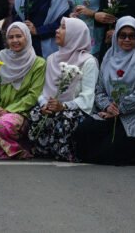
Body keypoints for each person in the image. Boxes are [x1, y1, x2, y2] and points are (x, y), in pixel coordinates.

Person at [73, 16, 135, 166]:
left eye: (132, 36)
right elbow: (99, 90)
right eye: (122, 35)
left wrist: (119, 108)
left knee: (112, 150)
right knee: (83, 131)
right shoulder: (108, 56)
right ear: (116, 35)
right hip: (109, 111)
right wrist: (107, 106)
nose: (127, 39)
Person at [28, 17, 99, 162]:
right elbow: (42, 91)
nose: (57, 30)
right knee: (35, 114)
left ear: (75, 34)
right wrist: (44, 104)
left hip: (75, 110)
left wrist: (64, 106)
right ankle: (44, 148)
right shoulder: (52, 58)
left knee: (65, 119)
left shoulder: (88, 61)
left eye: (63, 27)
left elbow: (87, 98)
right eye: (59, 27)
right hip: (51, 106)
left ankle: (65, 151)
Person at [0, 22, 46, 160]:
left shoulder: (38, 63)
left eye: (19, 36)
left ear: (27, 37)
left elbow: (34, 95)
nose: (15, 40)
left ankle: (16, 148)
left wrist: (8, 110)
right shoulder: (1, 57)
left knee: (2, 125)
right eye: (11, 37)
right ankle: (19, 148)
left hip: (22, 113)